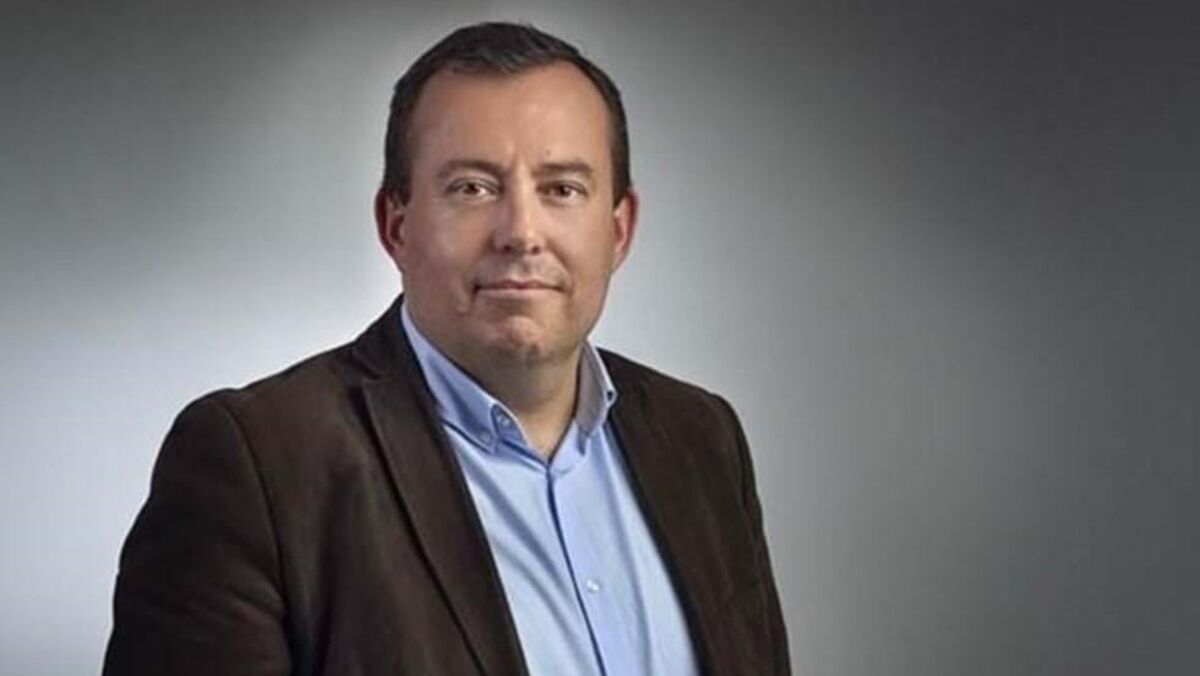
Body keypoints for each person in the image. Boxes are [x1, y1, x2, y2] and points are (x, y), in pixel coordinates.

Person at [102, 22, 789, 676]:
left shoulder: (702, 439)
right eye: (472, 188)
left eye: (562, 189)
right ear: (396, 226)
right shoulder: (257, 465)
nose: (521, 233)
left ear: (619, 230)